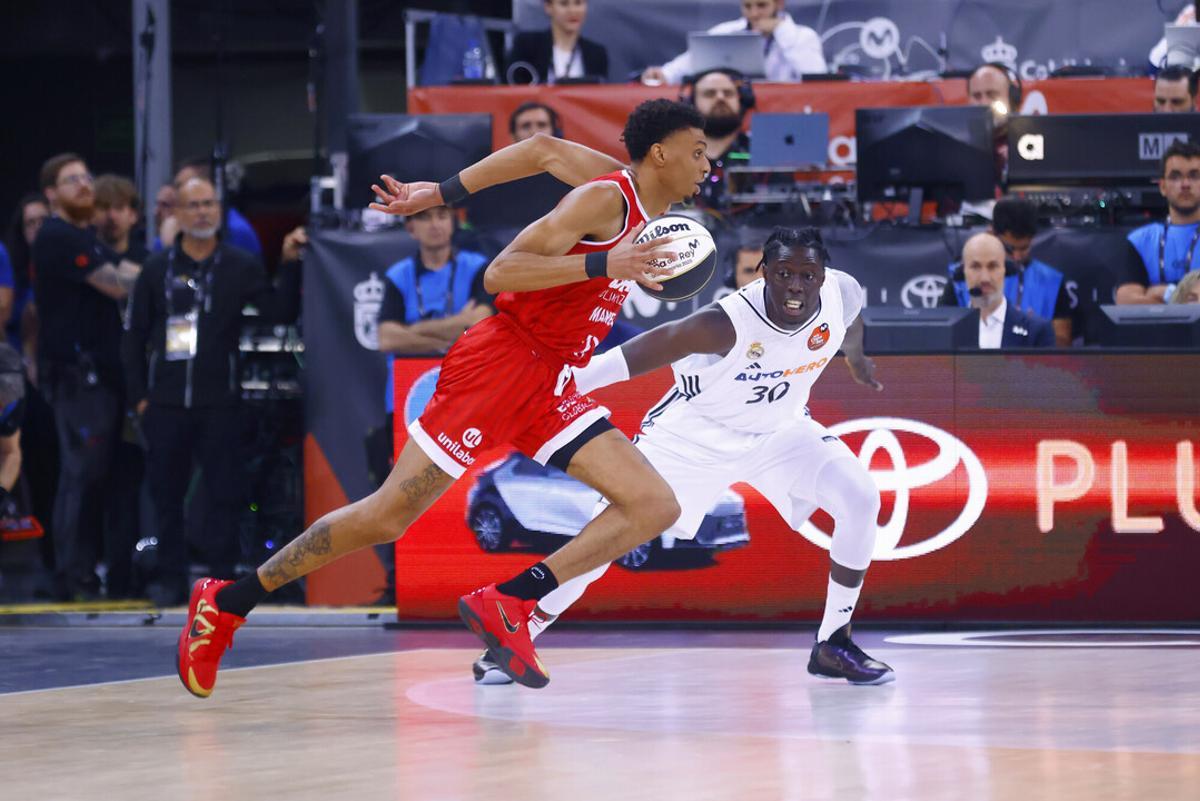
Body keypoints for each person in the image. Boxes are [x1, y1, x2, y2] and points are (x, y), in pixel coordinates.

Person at [176, 100, 708, 697]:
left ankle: (511, 600)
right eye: (697, 151)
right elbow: (501, 274)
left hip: (550, 378)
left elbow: (540, 150)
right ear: (660, 153)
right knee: (387, 517)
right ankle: (225, 602)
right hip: (501, 366)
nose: (707, 163)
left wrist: (443, 190)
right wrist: (604, 262)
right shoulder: (605, 199)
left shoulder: (631, 195)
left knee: (653, 504)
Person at [470, 226, 893, 685]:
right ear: (763, 273)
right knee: (609, 538)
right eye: (784, 274)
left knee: (860, 497)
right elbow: (627, 359)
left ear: (823, 275)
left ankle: (833, 642)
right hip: (691, 440)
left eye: (807, 275)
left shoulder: (841, 291)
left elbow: (851, 321)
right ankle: (516, 633)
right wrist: (551, 389)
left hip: (779, 431)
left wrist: (856, 358)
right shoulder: (723, 323)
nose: (796, 286)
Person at [123, 177, 302, 604]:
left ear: (219, 211)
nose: (203, 211)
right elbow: (133, 338)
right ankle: (170, 578)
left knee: (225, 493)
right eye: (194, 205)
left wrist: (290, 263)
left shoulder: (240, 265)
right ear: (178, 214)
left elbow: (275, 312)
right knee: (166, 494)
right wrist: (139, 399)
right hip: (165, 402)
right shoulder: (155, 269)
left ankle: (220, 583)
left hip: (219, 400)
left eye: (209, 204)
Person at [32, 153, 140, 600]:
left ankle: (88, 571)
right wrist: (166, 270)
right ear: (51, 193)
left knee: (97, 476)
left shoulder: (85, 235)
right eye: (70, 179)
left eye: (86, 177)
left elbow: (125, 271)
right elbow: (116, 281)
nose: (83, 184)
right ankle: (69, 577)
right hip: (78, 377)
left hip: (99, 374)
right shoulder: (56, 235)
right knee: (79, 474)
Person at [939, 197, 1073, 345]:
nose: (1017, 256)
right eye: (1010, 248)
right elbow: (942, 338)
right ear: (992, 233)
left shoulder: (1051, 282)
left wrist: (1032, 329)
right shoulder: (960, 281)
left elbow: (1062, 346)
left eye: (1024, 248)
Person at [642, 0, 826, 85]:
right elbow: (694, 59)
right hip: (734, 111)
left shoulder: (803, 36)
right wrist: (665, 74)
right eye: (747, 6)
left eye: (761, 5)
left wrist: (781, 31)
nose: (754, 13)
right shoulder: (728, 30)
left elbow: (816, 77)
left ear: (779, 4)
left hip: (785, 108)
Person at [1117, 140, 1200, 304]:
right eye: (1175, 177)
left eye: (1194, 175)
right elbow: (1125, 300)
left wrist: (1161, 293)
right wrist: (1183, 296)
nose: (1185, 184)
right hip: (1157, 330)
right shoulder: (1141, 240)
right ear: (1162, 186)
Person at [958, 233, 1053, 349]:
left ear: (1005, 269)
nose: (985, 278)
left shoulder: (1036, 331)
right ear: (963, 271)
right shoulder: (950, 330)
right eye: (976, 267)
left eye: (992, 266)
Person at [158, 158, 263, 258]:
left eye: (182, 186)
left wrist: (172, 246)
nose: (175, 193)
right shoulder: (174, 226)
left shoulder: (236, 230)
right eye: (176, 187)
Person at [684, 69, 754, 211]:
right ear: (691, 103)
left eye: (728, 93)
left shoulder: (765, 154)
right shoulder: (673, 157)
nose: (720, 98)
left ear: (742, 102)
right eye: (710, 94)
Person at [506, 0, 608, 84]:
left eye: (578, 3)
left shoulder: (597, 54)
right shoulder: (527, 45)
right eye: (564, 3)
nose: (572, 11)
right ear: (548, 7)